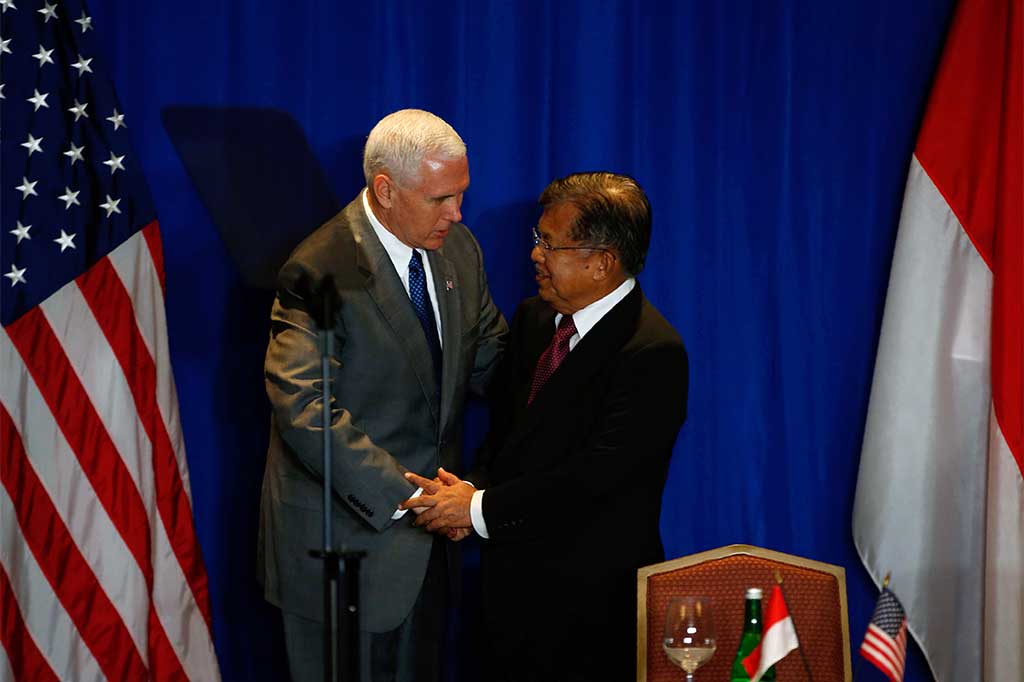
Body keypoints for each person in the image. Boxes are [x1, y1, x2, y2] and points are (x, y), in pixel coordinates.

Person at [403, 171, 689, 681]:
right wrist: (470, 489)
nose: (535, 255)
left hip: (587, 613)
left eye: (550, 244)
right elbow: (509, 435)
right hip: (506, 596)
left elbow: (595, 480)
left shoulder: (651, 353)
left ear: (602, 262)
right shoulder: (537, 318)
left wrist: (476, 508)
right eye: (538, 239)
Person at [258, 109, 507, 682]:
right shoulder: (318, 270)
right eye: (441, 199)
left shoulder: (459, 252)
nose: (458, 214)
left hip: (430, 556)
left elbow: (492, 358)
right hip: (343, 553)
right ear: (385, 189)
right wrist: (410, 497)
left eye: (461, 195)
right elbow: (304, 407)